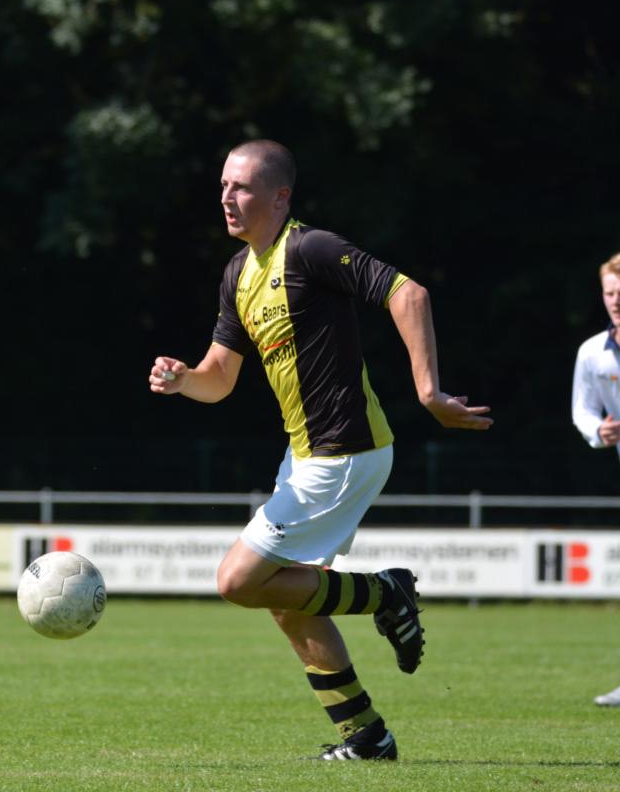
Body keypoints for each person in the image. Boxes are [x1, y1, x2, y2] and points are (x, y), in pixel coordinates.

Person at [150, 139, 492, 760]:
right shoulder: (238, 274)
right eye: (224, 185)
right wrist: (182, 380)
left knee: (237, 581)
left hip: (344, 451)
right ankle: (367, 738)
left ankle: (387, 593)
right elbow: (219, 378)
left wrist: (429, 392)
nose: (228, 197)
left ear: (280, 197)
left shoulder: (309, 249)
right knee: (286, 596)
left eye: (243, 187)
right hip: (307, 456)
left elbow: (408, 293)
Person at [570, 253, 620, 708]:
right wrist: (597, 431)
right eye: (610, 293)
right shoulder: (592, 352)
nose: (616, 300)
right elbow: (582, 409)